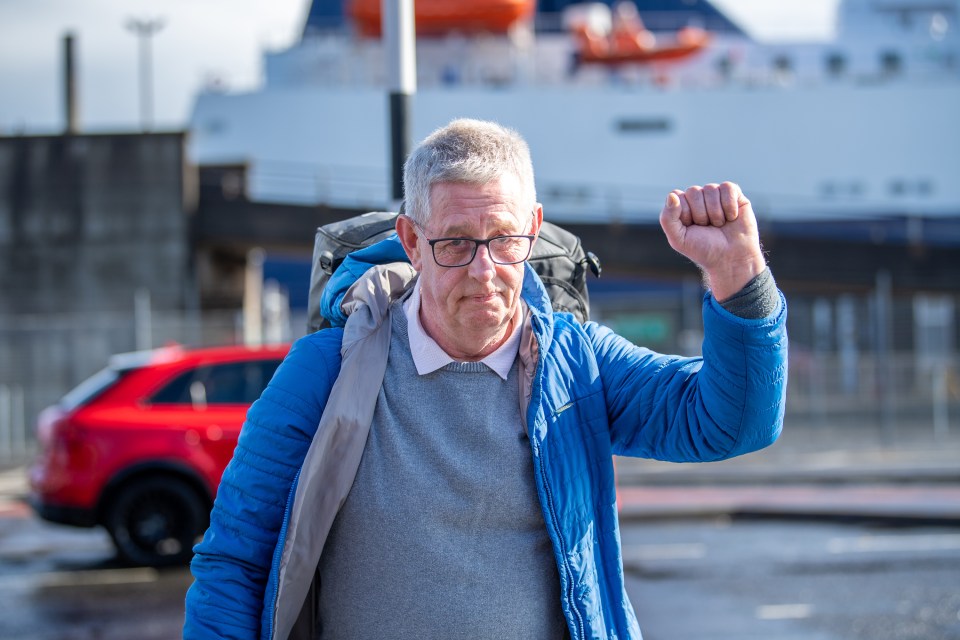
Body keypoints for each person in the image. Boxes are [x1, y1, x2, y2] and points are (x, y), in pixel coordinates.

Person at [184, 118, 788, 640]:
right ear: (412, 241)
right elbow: (236, 559)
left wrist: (739, 275)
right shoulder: (326, 371)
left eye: (504, 241)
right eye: (456, 243)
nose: (484, 271)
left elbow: (731, 423)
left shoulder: (577, 368)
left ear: (534, 226)